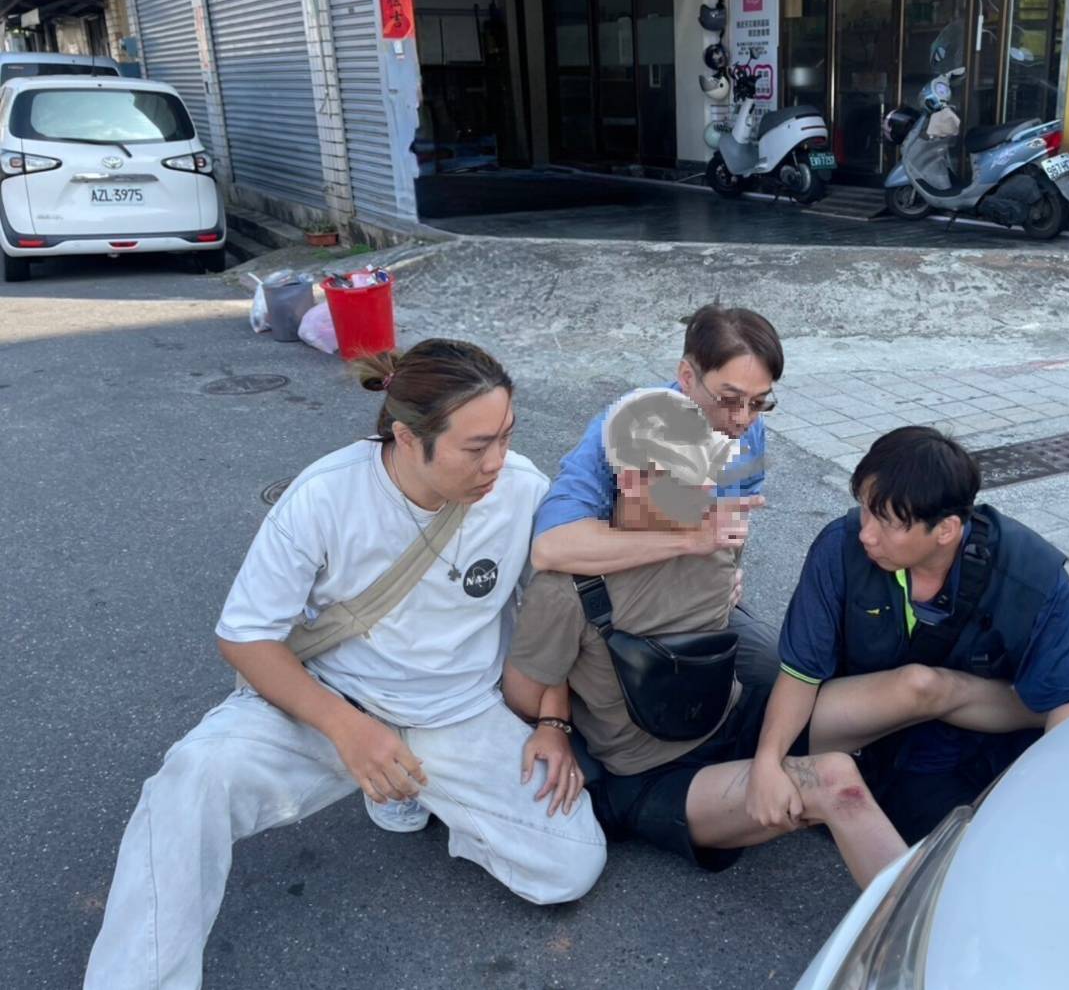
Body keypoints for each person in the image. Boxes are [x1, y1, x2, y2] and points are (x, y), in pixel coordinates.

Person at [85, 340, 606, 990]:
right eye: (477, 446)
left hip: (457, 711)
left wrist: (552, 722)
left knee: (569, 866)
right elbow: (246, 638)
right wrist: (347, 729)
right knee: (191, 779)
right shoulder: (324, 496)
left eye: (506, 435)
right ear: (407, 438)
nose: (497, 461)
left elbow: (550, 612)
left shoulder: (522, 490)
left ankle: (425, 791)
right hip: (333, 703)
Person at [505, 389, 907, 888]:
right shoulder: (568, 585)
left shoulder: (717, 534)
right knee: (835, 782)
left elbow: (720, 609)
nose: (706, 493)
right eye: (687, 478)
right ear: (631, 480)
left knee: (917, 687)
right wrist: (555, 723)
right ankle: (927, 928)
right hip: (654, 772)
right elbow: (523, 694)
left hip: (733, 717)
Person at [746, 426, 1069, 844]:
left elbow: (1068, 702)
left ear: (946, 529)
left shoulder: (1033, 576)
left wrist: (1052, 805)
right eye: (865, 509)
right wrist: (766, 762)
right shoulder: (839, 549)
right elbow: (801, 672)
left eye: (888, 522)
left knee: (984, 843)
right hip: (862, 731)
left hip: (967, 751)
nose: (866, 533)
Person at [530, 303, 783, 686]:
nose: (743, 419)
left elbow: (731, 523)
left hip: (699, 601)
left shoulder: (748, 431)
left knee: (774, 671)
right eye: (729, 399)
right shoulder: (625, 431)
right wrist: (690, 542)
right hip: (620, 607)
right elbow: (552, 546)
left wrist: (727, 572)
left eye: (759, 402)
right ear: (687, 376)